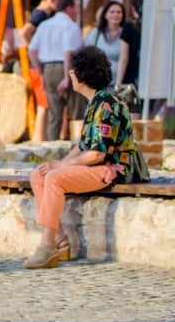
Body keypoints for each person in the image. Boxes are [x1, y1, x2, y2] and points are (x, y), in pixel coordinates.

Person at [24, 46, 146, 269]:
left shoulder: (107, 103)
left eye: (72, 70)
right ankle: (60, 241)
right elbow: (82, 146)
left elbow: (97, 153)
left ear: (80, 75)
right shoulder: (95, 101)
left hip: (114, 169)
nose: (69, 74)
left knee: (55, 178)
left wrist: (61, 165)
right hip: (97, 165)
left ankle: (46, 245)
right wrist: (54, 164)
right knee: (39, 175)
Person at [29, 0, 84, 141]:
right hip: (67, 68)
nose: (78, 11)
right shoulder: (71, 27)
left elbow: (31, 50)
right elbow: (68, 53)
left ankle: (52, 149)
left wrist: (40, 70)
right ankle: (77, 146)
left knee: (54, 115)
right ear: (69, 8)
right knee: (76, 113)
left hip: (48, 69)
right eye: (76, 7)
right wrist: (67, 77)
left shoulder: (44, 25)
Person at [84, 0, 129, 86]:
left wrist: (118, 85)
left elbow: (125, 59)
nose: (115, 15)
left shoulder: (126, 33)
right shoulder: (96, 33)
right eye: (112, 12)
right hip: (97, 81)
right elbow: (86, 55)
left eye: (119, 12)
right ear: (105, 15)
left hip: (119, 81)